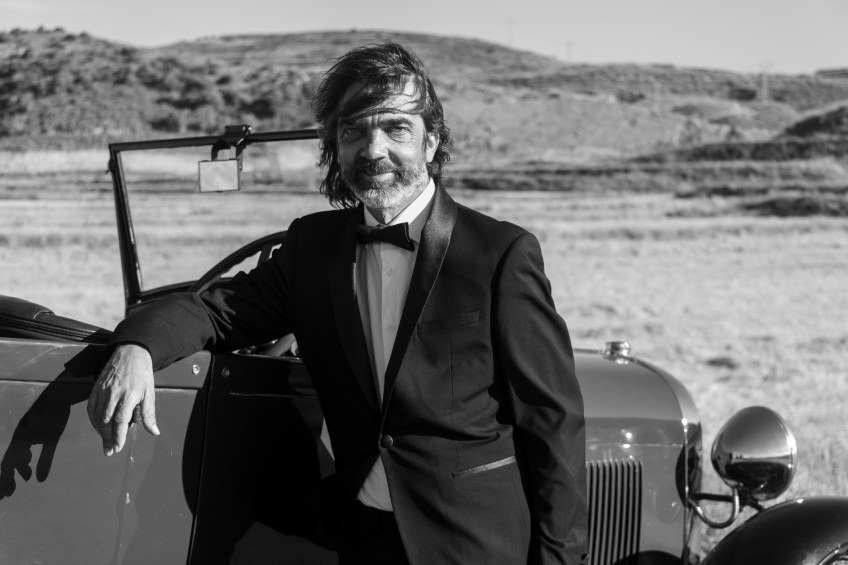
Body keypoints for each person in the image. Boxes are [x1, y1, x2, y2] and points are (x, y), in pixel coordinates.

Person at [88, 42, 588, 565]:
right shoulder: (312, 248)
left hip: (475, 543)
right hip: (362, 537)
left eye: (396, 128)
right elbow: (217, 310)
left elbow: (551, 421)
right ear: (335, 147)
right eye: (353, 131)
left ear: (432, 142)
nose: (373, 149)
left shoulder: (498, 253)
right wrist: (137, 346)